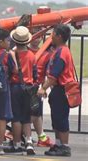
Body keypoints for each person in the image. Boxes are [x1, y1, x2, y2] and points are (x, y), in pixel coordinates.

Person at [38, 24, 77, 157]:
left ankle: (64, 146)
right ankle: (59, 144)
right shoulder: (60, 50)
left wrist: (43, 88)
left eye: (53, 34)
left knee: (61, 118)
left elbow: (54, 75)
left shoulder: (61, 52)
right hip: (58, 89)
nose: (51, 36)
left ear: (59, 36)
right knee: (56, 118)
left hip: (61, 89)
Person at [7, 26, 36, 155]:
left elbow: (9, 70)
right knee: (27, 118)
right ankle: (29, 141)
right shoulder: (31, 55)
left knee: (16, 118)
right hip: (29, 88)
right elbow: (35, 73)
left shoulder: (12, 55)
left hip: (15, 86)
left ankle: (17, 143)